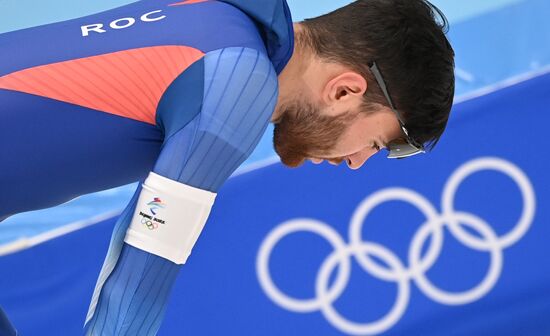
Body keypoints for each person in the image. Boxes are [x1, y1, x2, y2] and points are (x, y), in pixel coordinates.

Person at [0, 0, 454, 334]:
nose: (357, 162)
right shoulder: (237, 85)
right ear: (345, 91)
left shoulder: (221, 16)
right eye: (375, 143)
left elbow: (138, 229)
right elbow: (139, 278)